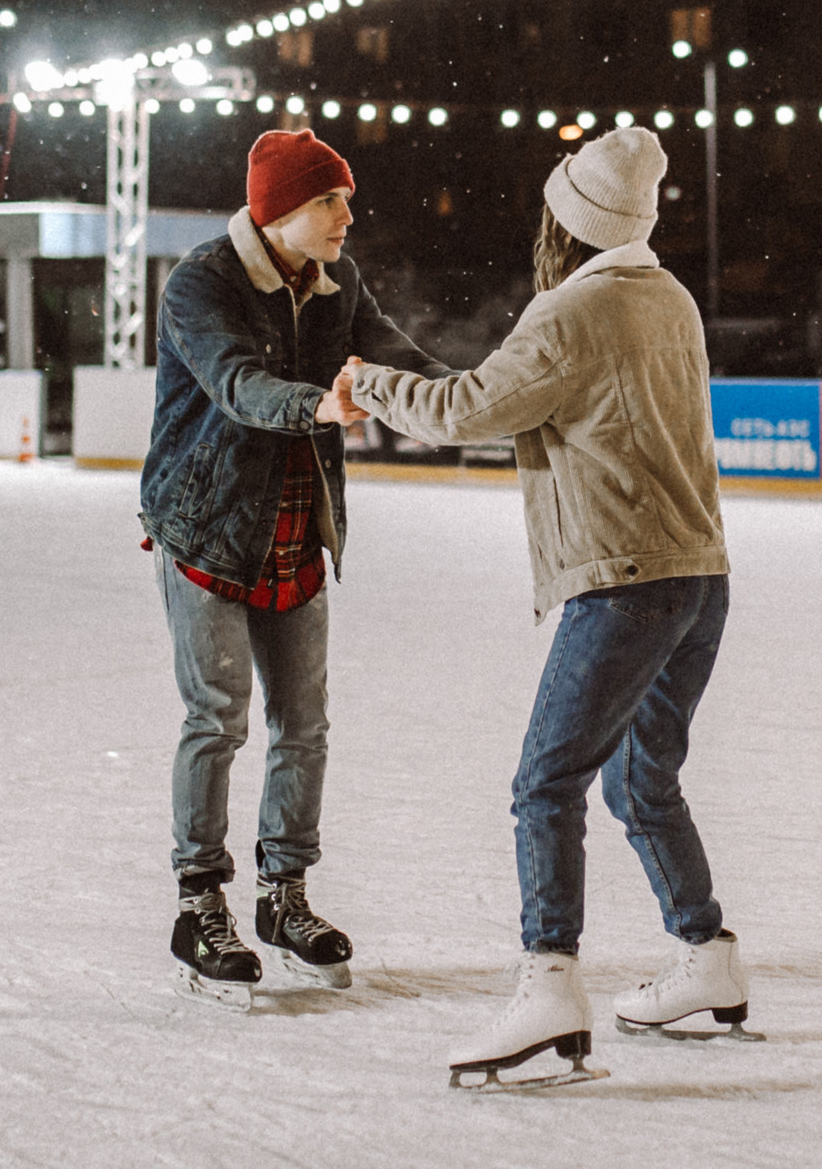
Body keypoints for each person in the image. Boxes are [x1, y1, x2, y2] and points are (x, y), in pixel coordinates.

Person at [342, 127, 742, 1086]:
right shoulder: (669, 298)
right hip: (697, 576)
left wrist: (368, 386)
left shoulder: (574, 312)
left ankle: (550, 982)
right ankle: (707, 952)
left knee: (545, 783)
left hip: (624, 580)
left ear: (571, 224)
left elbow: (470, 408)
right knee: (640, 781)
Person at [141, 126, 449, 1009]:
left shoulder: (338, 282)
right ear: (279, 210)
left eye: (346, 199)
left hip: (294, 532)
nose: (347, 217)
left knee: (305, 726)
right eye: (330, 201)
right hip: (205, 531)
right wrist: (321, 401)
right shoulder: (201, 283)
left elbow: (402, 360)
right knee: (217, 719)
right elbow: (236, 384)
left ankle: (285, 896)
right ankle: (199, 902)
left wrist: (485, 403)